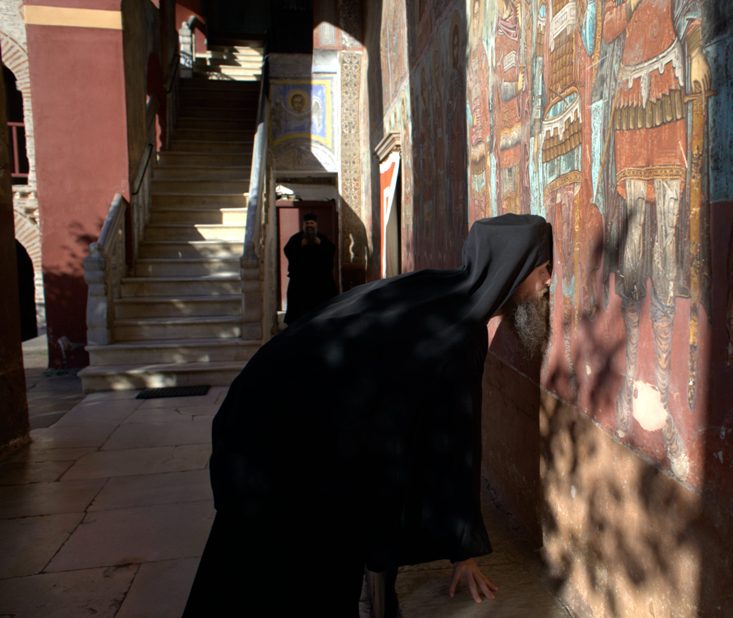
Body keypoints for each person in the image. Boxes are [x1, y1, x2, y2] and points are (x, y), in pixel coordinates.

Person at [183, 213, 553, 616]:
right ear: (514, 268)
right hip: (290, 440)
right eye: (543, 269)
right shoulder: (461, 329)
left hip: (264, 415)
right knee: (298, 575)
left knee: (241, 568)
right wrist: (462, 549)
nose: (549, 281)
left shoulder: (435, 289)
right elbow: (454, 441)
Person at [283, 211, 337, 325]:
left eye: (312, 223)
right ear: (304, 225)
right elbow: (288, 251)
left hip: (320, 282)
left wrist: (321, 244)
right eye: (307, 223)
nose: (309, 226)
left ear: (316, 225)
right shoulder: (296, 239)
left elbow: (331, 251)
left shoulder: (322, 239)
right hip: (300, 282)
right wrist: (299, 246)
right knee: (298, 313)